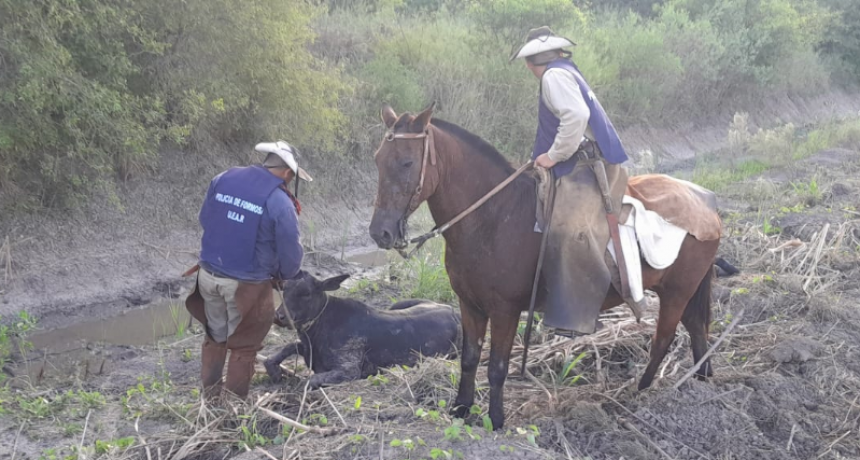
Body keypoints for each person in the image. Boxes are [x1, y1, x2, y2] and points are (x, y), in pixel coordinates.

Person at [510, 27, 632, 337]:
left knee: (567, 230)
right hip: (581, 159)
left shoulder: (553, 77)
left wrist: (552, 155)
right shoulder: (564, 70)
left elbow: (575, 116)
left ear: (531, 62)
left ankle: (579, 311)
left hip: (586, 165)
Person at [185, 140, 312, 399]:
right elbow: (290, 255)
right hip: (248, 287)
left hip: (208, 276)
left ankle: (210, 401)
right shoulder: (280, 202)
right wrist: (283, 275)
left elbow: (205, 219)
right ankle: (233, 411)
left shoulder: (223, 178)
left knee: (214, 339)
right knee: (244, 348)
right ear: (288, 173)